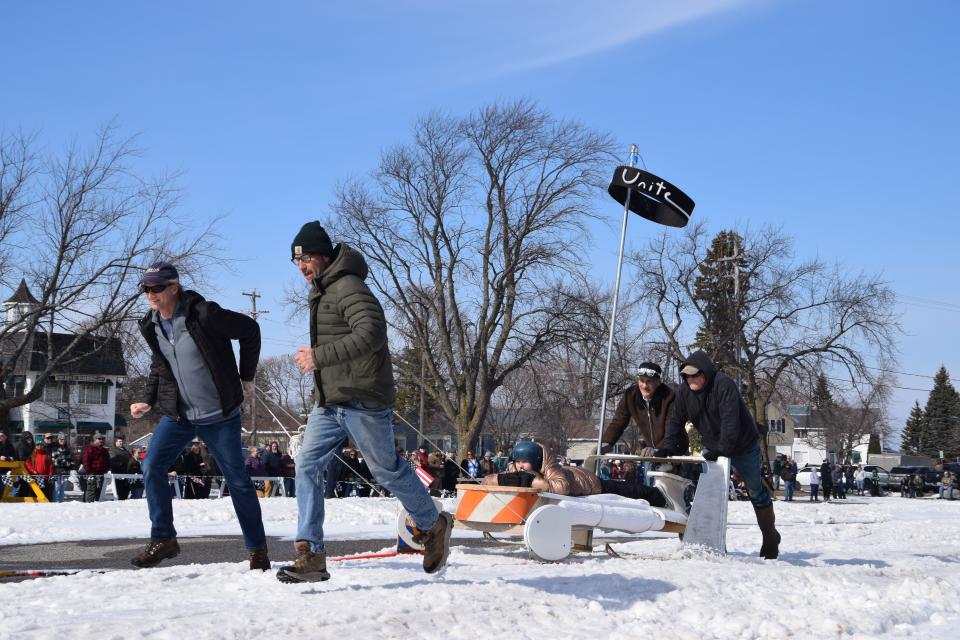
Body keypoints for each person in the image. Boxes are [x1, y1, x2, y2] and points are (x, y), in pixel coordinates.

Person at [281, 221, 451, 583]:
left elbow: (372, 333)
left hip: (362, 399)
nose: (302, 266)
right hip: (329, 402)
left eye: (306, 258)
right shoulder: (323, 290)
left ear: (324, 256)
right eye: (296, 260)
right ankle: (311, 553)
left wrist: (319, 356)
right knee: (306, 464)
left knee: (386, 470)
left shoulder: (348, 286)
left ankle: (433, 524)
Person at [129, 260, 270, 571]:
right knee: (151, 465)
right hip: (179, 415)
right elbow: (160, 364)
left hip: (220, 416)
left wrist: (247, 376)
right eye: (145, 289)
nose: (150, 294)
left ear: (174, 288)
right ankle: (164, 538)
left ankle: (258, 550)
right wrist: (146, 399)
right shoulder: (150, 325)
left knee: (238, 481)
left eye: (156, 288)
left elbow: (250, 330)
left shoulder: (204, 314)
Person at [657, 350, 781, 559]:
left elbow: (731, 422)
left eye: (696, 375)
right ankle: (710, 542)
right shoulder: (684, 393)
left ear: (706, 373)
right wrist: (667, 446)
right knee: (708, 492)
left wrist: (722, 449)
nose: (691, 379)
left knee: (754, 489)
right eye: (687, 376)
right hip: (714, 446)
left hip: (743, 444)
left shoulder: (724, 385)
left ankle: (770, 536)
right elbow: (675, 421)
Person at [600, 362, 685, 456]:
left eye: (649, 381)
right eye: (641, 380)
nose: (644, 386)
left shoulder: (669, 396)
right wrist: (606, 442)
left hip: (674, 450)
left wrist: (661, 450)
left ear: (658, 382)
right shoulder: (630, 396)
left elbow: (671, 428)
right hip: (651, 451)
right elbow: (618, 421)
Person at [483, 440, 601, 496]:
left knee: (615, 487)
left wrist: (532, 481)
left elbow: (562, 488)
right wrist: (499, 480)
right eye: (517, 462)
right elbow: (489, 480)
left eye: (525, 462)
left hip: (590, 482)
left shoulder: (550, 467)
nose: (520, 465)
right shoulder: (516, 469)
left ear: (535, 462)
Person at [81, 434, 111, 502]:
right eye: (99, 439)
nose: (101, 440)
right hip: (92, 473)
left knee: (100, 490)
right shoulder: (89, 448)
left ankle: (98, 505)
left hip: (102, 473)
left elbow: (108, 461)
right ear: (95, 439)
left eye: (102, 439)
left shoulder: (104, 450)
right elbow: (85, 461)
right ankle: (88, 505)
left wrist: (108, 469)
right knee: (91, 490)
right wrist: (89, 472)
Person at [47, 433, 75, 502]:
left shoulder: (67, 449)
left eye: (64, 439)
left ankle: (61, 504)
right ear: (58, 440)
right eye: (61, 439)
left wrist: (71, 465)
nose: (62, 440)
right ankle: (54, 503)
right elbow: (55, 461)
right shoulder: (55, 448)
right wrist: (65, 462)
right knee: (56, 489)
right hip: (57, 472)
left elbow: (70, 460)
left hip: (66, 472)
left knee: (63, 490)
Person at [109, 434, 134, 500]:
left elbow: (130, 458)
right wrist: (121, 464)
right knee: (119, 491)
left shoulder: (125, 450)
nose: (121, 442)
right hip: (118, 473)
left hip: (126, 473)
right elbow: (112, 461)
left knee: (126, 491)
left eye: (122, 441)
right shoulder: (113, 450)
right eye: (119, 441)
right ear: (116, 442)